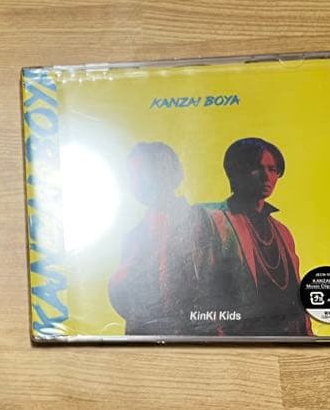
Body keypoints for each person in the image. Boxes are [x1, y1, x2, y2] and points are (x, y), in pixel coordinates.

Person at [201, 137, 310, 336]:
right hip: (238, 339)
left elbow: (297, 294)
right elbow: (202, 288)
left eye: (273, 169)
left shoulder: (283, 231)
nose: (267, 176)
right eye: (257, 168)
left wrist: (308, 337)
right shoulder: (214, 220)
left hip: (288, 339)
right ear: (236, 171)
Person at [108, 142, 219, 335]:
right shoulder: (133, 236)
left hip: (196, 335)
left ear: (167, 172)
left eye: (141, 173)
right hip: (145, 337)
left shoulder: (205, 219)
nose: (136, 182)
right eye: (133, 175)